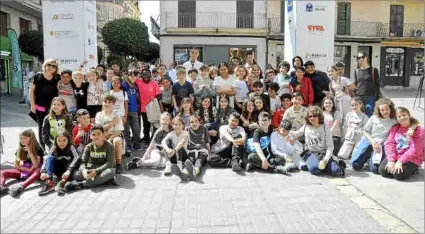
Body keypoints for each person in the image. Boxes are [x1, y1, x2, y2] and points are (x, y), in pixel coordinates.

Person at [351, 99, 412, 173]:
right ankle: (367, 156)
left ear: (391, 109)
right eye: (382, 110)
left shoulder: (394, 120)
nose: (385, 112)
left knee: (375, 170)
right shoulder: (374, 118)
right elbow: (365, 131)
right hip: (370, 142)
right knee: (356, 166)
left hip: (383, 145)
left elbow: (412, 121)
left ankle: (371, 158)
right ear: (379, 110)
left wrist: (412, 128)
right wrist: (373, 142)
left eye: (387, 109)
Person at [290, 106, 346, 176]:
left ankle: (334, 162)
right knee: (315, 169)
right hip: (310, 153)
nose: (312, 118)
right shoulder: (306, 126)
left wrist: (325, 159)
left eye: (314, 116)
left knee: (336, 172)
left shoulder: (325, 128)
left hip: (323, 153)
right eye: (310, 116)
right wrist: (285, 130)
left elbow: (330, 147)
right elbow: (296, 134)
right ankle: (321, 165)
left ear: (319, 116)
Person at [64, 124, 117, 191]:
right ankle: (106, 181)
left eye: (98, 134)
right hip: (93, 167)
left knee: (111, 172)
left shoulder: (109, 146)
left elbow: (110, 163)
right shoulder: (88, 147)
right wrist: (84, 170)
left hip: (105, 168)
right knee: (75, 174)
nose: (96, 136)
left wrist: (96, 171)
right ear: (90, 136)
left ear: (103, 134)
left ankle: (79, 184)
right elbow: (83, 162)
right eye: (93, 134)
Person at [379, 107, 424, 180]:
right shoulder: (395, 128)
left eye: (404, 115)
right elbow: (389, 143)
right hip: (397, 155)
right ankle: (397, 167)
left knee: (398, 175)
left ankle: (414, 169)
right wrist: (391, 160)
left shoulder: (420, 130)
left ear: (409, 115)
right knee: (383, 171)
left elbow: (415, 149)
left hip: (412, 158)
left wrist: (400, 161)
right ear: (396, 118)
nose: (402, 118)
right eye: (399, 116)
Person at [0, 129, 43, 197]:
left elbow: (36, 165)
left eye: (25, 138)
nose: (23, 140)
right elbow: (16, 165)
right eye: (21, 138)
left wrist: (29, 151)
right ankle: (1, 186)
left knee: (38, 171)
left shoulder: (38, 148)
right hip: (25, 170)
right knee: (2, 172)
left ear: (31, 138)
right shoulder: (20, 149)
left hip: (34, 171)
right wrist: (27, 169)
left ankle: (22, 186)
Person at [29, 59, 60, 149]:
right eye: (49, 65)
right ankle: (42, 147)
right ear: (45, 65)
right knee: (41, 126)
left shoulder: (57, 77)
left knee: (53, 126)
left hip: (54, 107)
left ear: (56, 69)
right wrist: (32, 105)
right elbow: (31, 92)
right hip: (40, 106)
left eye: (54, 66)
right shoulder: (37, 76)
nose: (51, 67)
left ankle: (53, 145)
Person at [38, 131, 79, 196]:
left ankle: (61, 183)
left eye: (64, 140)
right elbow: (46, 160)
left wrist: (69, 170)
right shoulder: (54, 147)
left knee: (72, 160)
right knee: (50, 158)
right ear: (56, 141)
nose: (61, 143)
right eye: (59, 140)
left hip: (67, 171)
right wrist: (43, 172)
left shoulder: (71, 147)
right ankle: (49, 182)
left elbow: (76, 158)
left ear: (68, 140)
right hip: (58, 170)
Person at [95, 95, 125, 174]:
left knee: (117, 141)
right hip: (102, 135)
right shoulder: (99, 115)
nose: (107, 104)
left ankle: (118, 163)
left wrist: (110, 139)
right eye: (105, 102)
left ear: (113, 104)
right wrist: (111, 124)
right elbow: (98, 130)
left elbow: (118, 131)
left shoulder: (116, 114)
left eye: (109, 102)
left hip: (115, 134)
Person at [337, 97, 369, 161]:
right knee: (341, 155)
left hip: (359, 139)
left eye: (356, 105)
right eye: (352, 105)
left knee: (355, 158)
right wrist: (344, 137)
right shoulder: (349, 115)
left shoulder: (364, 117)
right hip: (349, 138)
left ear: (360, 104)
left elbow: (366, 131)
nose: (354, 107)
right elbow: (345, 126)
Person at [135, 69, 161, 145]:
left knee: (154, 124)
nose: (146, 77)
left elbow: (159, 95)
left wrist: (155, 99)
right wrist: (138, 72)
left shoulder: (154, 83)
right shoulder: (139, 81)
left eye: (147, 76)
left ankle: (153, 138)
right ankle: (146, 138)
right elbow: (131, 77)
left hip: (152, 107)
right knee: (146, 124)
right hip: (143, 107)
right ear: (142, 76)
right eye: (144, 76)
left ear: (150, 76)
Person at [182, 115, 211, 180]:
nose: (194, 123)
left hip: (202, 151)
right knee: (189, 160)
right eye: (192, 122)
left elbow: (207, 142)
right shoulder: (187, 129)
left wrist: (209, 153)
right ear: (189, 123)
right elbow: (184, 142)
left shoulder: (204, 128)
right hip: (191, 151)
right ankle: (185, 171)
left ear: (199, 122)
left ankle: (196, 170)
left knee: (199, 160)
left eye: (196, 121)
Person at [354, 52, 381, 117]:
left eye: (363, 57)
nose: (361, 59)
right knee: (359, 115)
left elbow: (377, 84)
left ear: (366, 57)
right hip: (359, 97)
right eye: (359, 58)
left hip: (370, 97)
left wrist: (377, 98)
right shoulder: (357, 71)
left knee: (369, 114)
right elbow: (356, 84)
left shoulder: (373, 70)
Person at [121, 70, 142, 151]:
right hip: (125, 110)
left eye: (134, 75)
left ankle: (136, 144)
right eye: (131, 75)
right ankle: (128, 146)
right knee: (126, 130)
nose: (133, 77)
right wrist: (126, 78)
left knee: (136, 129)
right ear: (128, 76)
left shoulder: (137, 85)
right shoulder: (124, 84)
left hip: (135, 110)